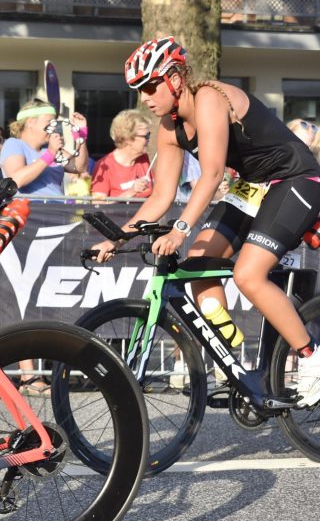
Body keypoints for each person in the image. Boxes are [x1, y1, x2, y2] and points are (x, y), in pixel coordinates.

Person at [93, 36, 320, 407]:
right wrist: (116, 238)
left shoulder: (209, 98)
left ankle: (312, 356)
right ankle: (236, 366)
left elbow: (212, 173)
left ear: (176, 79)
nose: (146, 97)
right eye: (139, 90)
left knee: (248, 274)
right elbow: (161, 196)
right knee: (199, 265)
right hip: (253, 186)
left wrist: (180, 229)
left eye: (151, 85)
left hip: (294, 179)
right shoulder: (168, 129)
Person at [1, 99, 89, 197]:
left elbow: (80, 167)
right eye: (49, 123)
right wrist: (50, 154)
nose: (53, 127)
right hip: (31, 209)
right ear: (31, 122)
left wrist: (81, 138)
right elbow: (16, 181)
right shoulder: (13, 144)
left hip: (57, 208)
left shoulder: (50, 148)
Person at [90, 109, 154, 199]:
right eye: (146, 136)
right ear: (128, 139)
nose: (148, 139)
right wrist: (130, 192)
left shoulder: (143, 158)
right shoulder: (105, 166)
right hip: (119, 213)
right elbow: (98, 205)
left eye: (149, 135)